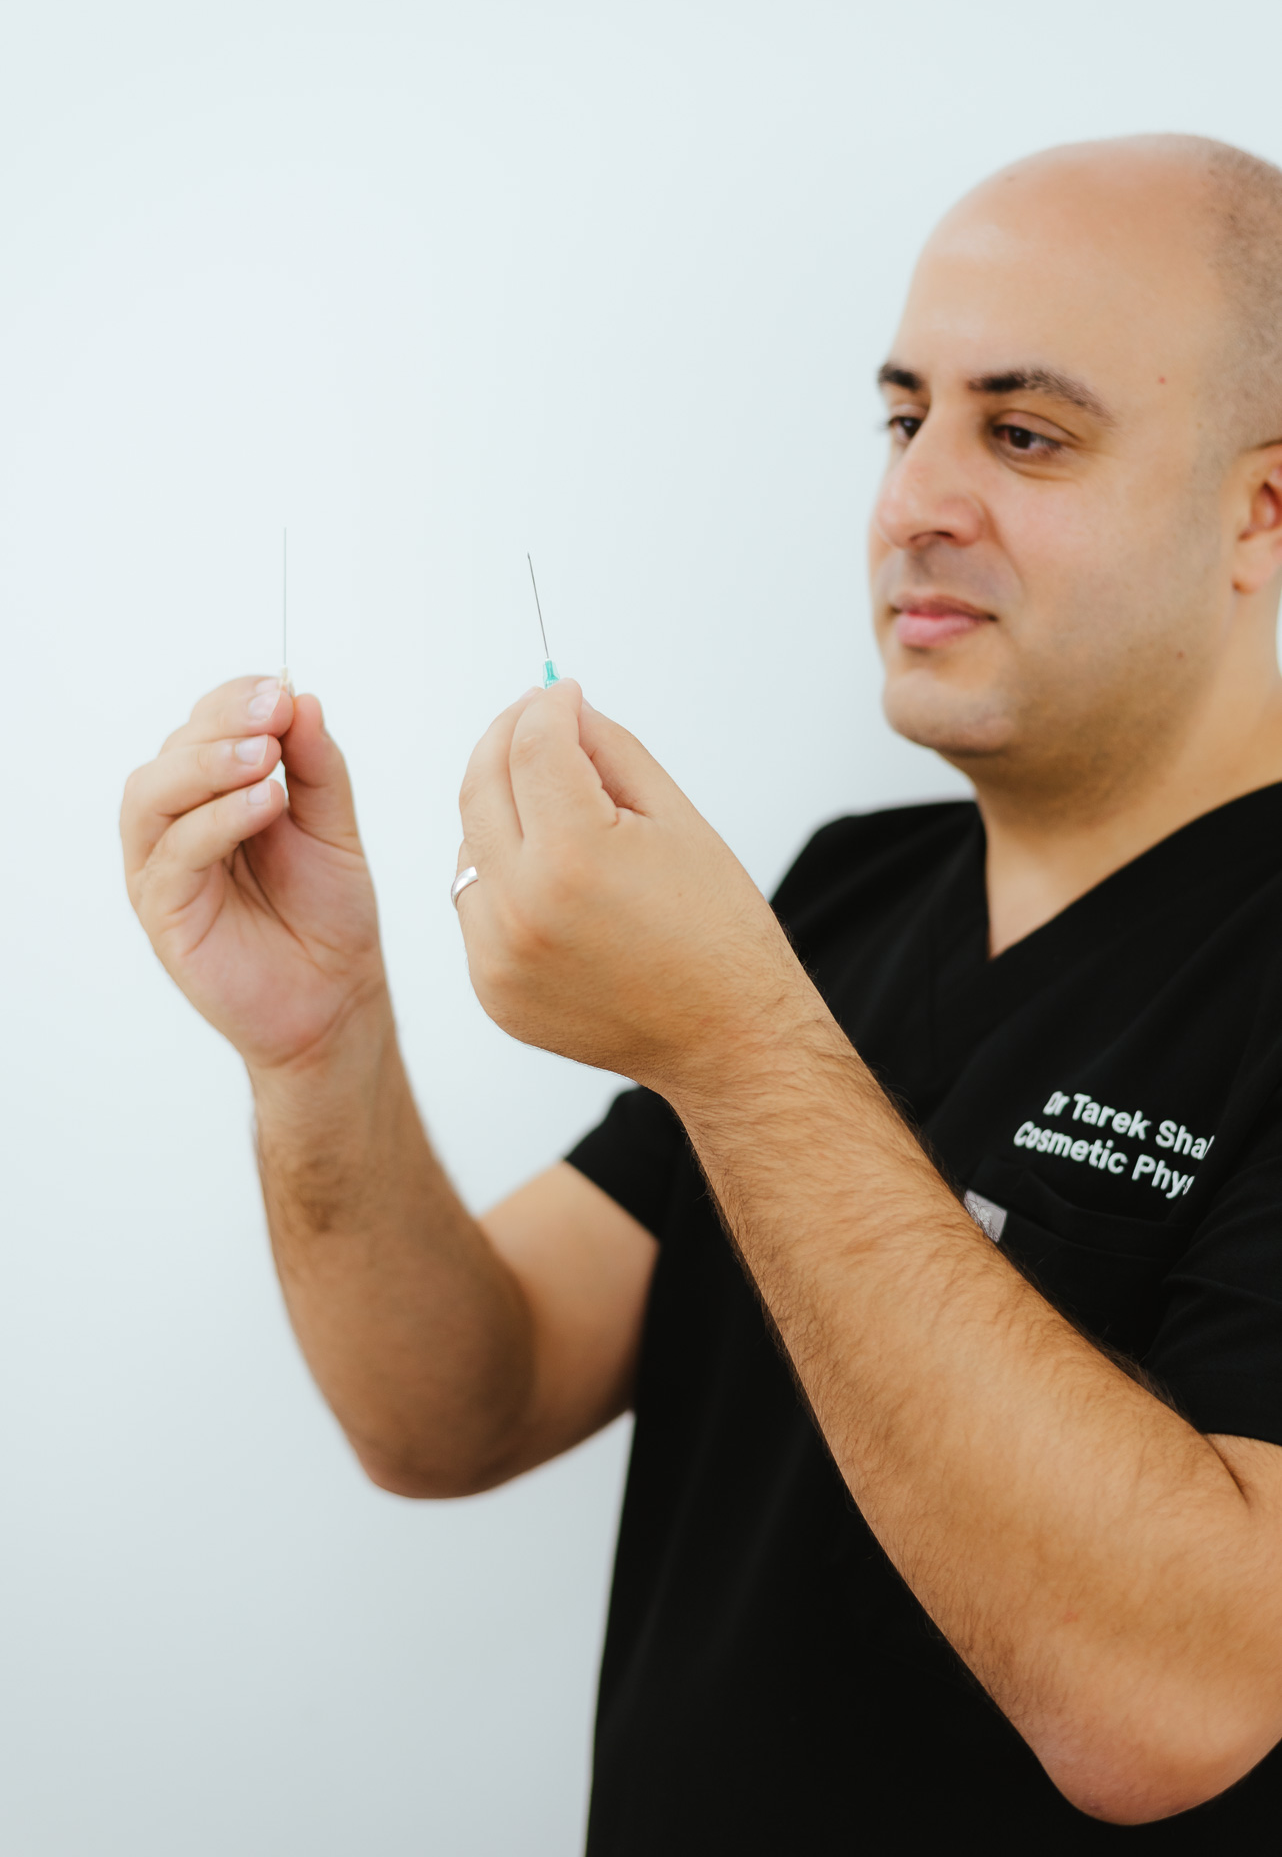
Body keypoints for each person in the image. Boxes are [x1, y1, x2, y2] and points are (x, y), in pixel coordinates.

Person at [121, 134, 1282, 1848]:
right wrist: (316, 1045)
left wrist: (735, 1046)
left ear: (1261, 506)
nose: (911, 505)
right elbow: (458, 1404)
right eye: (904, 420)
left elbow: (1175, 1705)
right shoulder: (841, 892)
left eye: (1023, 433)